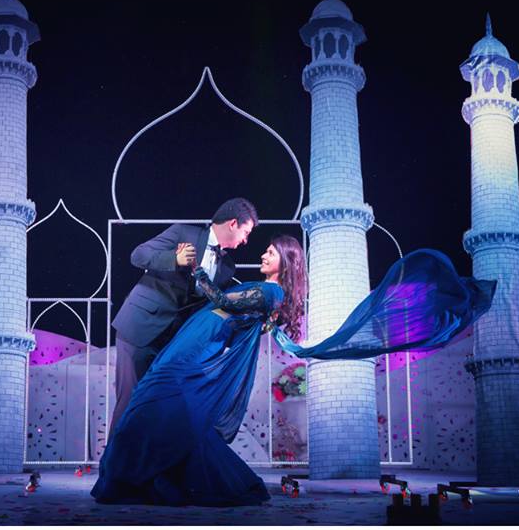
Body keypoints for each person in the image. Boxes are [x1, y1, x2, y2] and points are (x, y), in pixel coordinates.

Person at [91, 235, 497, 506]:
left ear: (283, 262)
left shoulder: (272, 290)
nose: (263, 254)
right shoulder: (264, 288)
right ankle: (150, 478)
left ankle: (141, 479)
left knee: (150, 406)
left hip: (198, 347)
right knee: (154, 408)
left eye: (270, 251)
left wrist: (198, 274)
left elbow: (222, 301)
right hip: (194, 339)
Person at [109, 197, 258, 435]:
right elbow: (138, 255)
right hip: (139, 328)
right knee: (130, 401)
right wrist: (173, 259)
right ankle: (113, 469)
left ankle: (147, 469)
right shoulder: (182, 232)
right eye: (246, 232)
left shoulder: (228, 268)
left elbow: (213, 306)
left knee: (159, 405)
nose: (246, 240)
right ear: (233, 223)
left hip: (173, 343)